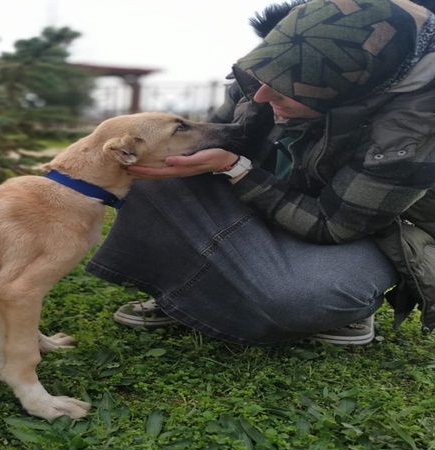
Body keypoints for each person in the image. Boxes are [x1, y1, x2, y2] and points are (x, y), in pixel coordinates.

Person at [85, 0, 435, 345]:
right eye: (262, 78)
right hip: (270, 194)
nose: (263, 94)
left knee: (304, 299)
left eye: (285, 92)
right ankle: (185, 295)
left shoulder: (413, 129)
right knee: (153, 174)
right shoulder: (278, 66)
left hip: (363, 232)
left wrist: (234, 168)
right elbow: (218, 133)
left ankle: (350, 309)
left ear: (349, 97)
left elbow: (334, 224)